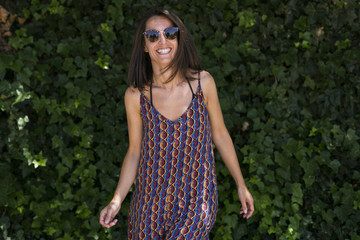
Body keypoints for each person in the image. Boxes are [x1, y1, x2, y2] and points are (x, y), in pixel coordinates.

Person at [99, 7, 254, 239]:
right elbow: (134, 152)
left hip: (196, 199)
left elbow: (220, 135)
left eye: (170, 33)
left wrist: (241, 184)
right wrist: (116, 200)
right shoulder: (135, 96)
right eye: (153, 36)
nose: (163, 40)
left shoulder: (203, 83)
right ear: (144, 45)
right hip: (149, 202)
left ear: (179, 38)